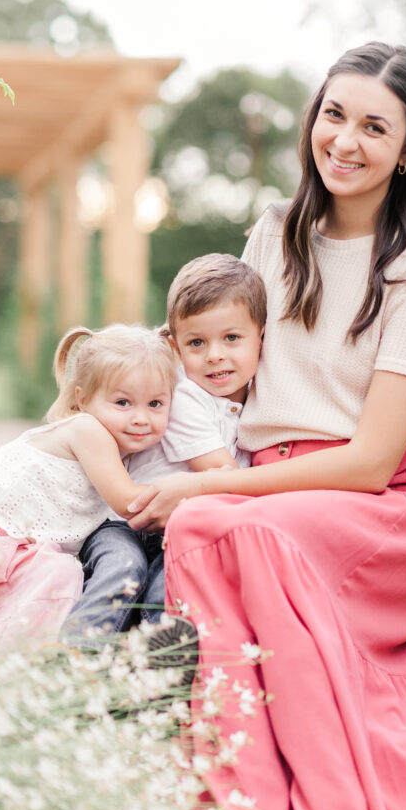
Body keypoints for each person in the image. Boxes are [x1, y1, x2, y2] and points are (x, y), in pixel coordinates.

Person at [127, 42, 406, 810]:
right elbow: (223, 372)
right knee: (206, 527)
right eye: (334, 114)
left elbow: (369, 462)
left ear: (405, 153)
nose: (345, 141)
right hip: (273, 493)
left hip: (385, 509)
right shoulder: (273, 233)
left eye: (374, 127)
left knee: (214, 523)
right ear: (312, 120)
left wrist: (204, 489)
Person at [0, 324, 176, 654]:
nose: (141, 418)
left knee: (55, 581)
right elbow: (129, 502)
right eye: (122, 402)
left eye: (156, 404)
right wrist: (200, 490)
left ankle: (13, 669)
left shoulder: (116, 439)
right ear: (83, 399)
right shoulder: (87, 429)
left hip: (22, 551)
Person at [61, 254, 266, 643]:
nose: (215, 355)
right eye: (197, 343)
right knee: (122, 571)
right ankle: (77, 653)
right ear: (175, 348)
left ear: (262, 336)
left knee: (167, 585)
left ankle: (152, 670)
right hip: (124, 524)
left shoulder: (257, 403)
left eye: (232, 338)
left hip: (175, 530)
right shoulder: (184, 398)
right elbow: (225, 476)